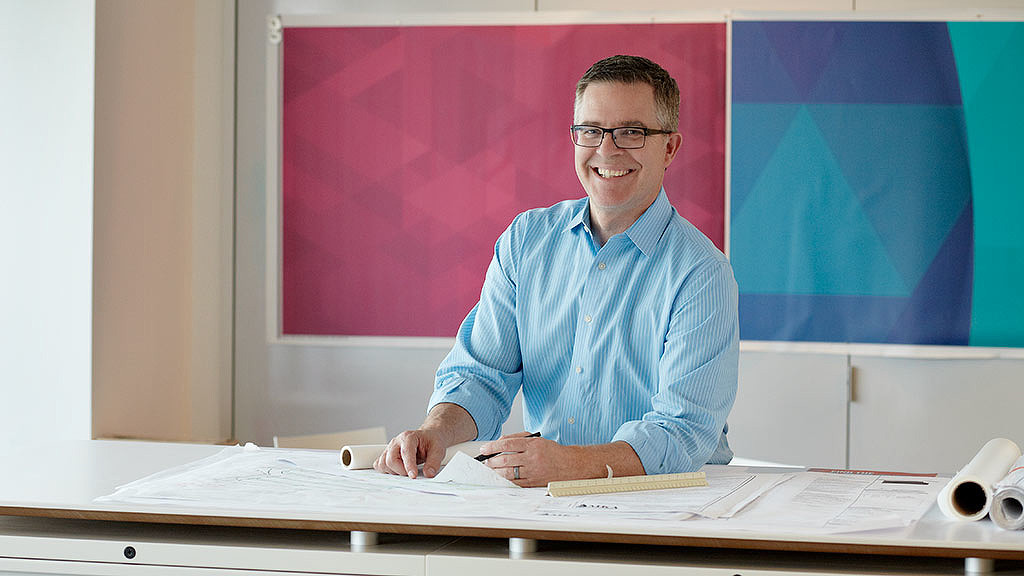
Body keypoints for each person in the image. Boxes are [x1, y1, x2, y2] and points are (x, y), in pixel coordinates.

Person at [374, 55, 739, 487]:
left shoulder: (701, 273)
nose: (606, 150)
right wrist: (436, 432)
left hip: (666, 503)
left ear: (670, 148)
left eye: (631, 132)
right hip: (546, 501)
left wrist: (572, 465)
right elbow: (481, 375)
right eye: (591, 131)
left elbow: (681, 432)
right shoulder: (527, 240)